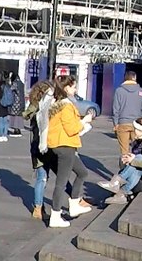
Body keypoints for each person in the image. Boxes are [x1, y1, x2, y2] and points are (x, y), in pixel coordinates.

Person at [45, 75, 93, 228]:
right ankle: (56, 215)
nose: (75, 89)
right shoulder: (66, 106)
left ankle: (74, 205)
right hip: (65, 146)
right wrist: (84, 121)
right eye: (73, 87)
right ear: (66, 88)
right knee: (61, 182)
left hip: (58, 144)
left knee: (82, 172)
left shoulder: (56, 104)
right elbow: (71, 129)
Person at [97, 118, 142, 202]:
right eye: (135, 129)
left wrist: (133, 159)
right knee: (134, 166)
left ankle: (117, 183)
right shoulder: (140, 141)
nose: (135, 131)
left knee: (138, 160)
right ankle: (121, 193)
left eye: (138, 130)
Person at [24, 80, 58, 221]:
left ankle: (38, 208)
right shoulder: (45, 104)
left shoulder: (34, 104)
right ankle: (75, 198)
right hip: (46, 144)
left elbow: (25, 115)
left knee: (42, 177)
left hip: (36, 145)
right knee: (59, 175)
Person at [112, 70, 142, 168]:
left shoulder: (119, 91)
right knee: (137, 150)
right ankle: (136, 171)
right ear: (135, 78)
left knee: (124, 151)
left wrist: (115, 123)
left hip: (122, 123)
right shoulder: (141, 91)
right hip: (137, 124)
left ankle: (123, 172)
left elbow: (116, 109)